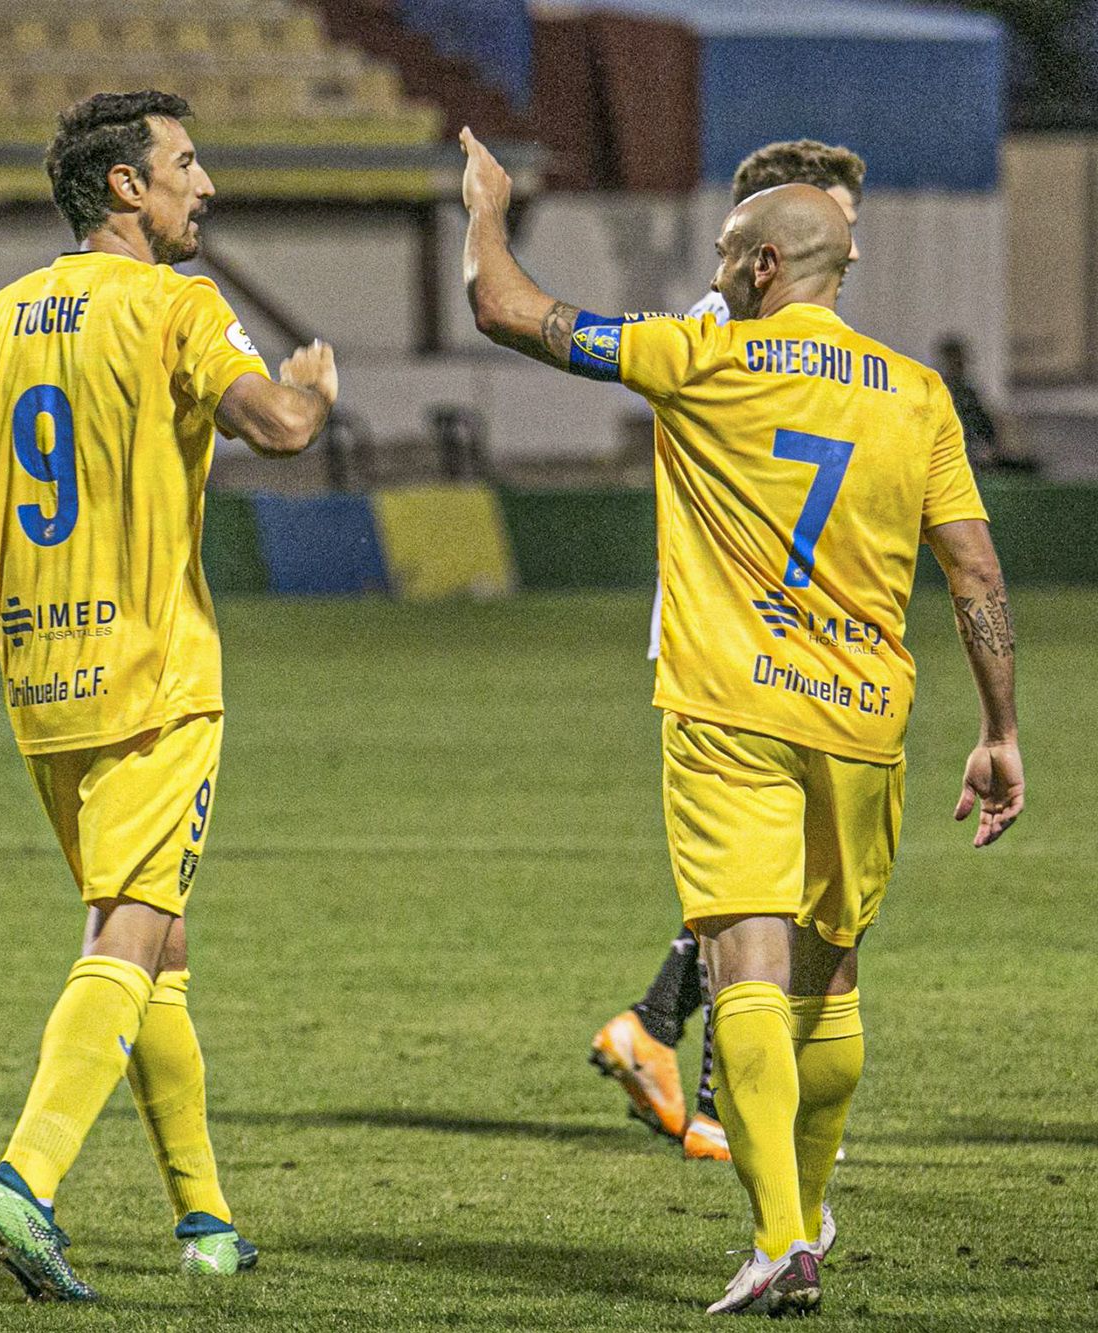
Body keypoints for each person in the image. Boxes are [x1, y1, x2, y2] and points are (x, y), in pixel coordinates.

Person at [0, 91, 337, 1300]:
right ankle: (24, 1181)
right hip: (155, 682)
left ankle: (204, 1221)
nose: (208, 185)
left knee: (159, 950)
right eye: (187, 163)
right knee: (127, 936)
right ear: (126, 189)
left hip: (43, 685)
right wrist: (311, 389)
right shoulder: (178, 306)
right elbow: (279, 430)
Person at [462, 129, 1021, 1315]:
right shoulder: (916, 393)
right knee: (829, 983)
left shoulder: (700, 358)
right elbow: (972, 572)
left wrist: (486, 210)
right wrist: (998, 729)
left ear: (764, 267)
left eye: (725, 253)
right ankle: (803, 1211)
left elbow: (506, 311)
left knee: (746, 968)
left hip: (726, 707)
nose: (712, 270)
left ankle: (778, 1236)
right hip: (862, 720)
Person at [592, 140, 869, 1165]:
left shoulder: (795, 339)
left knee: (757, 882)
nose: (849, 242)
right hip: (741, 639)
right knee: (766, 893)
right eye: (834, 218)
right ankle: (708, 1090)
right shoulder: (722, 332)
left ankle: (657, 1031)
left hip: (768, 636)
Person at [938, 335, 1035, 474]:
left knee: (1023, 466)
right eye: (955, 361)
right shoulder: (940, 392)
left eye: (961, 361)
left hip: (975, 453)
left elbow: (984, 425)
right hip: (956, 456)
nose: (960, 365)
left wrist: (992, 446)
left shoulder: (968, 392)